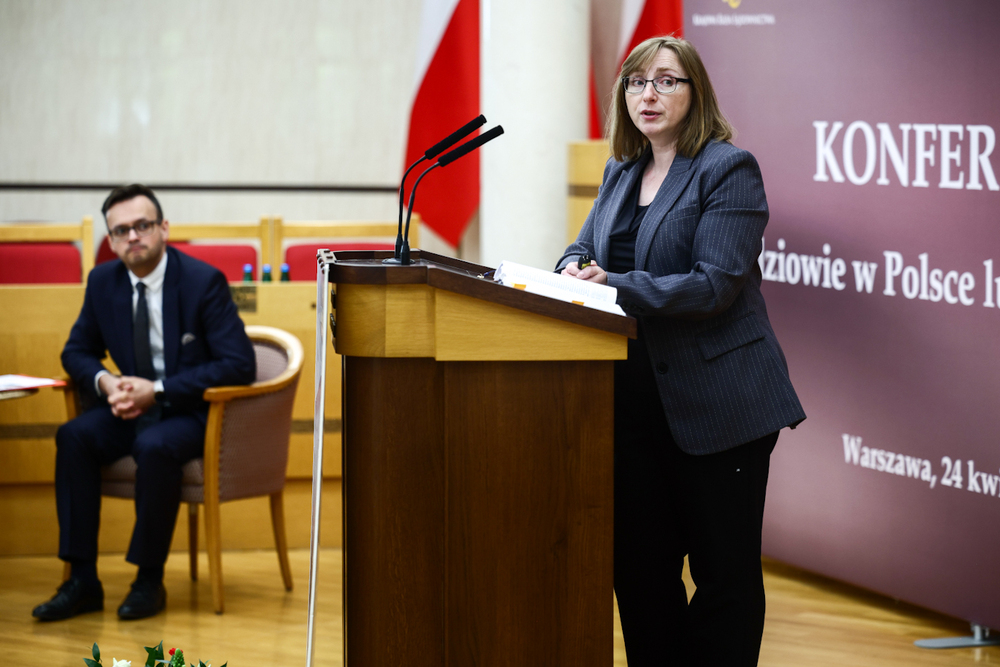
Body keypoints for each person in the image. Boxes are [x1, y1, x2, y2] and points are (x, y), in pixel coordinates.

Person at [556, 36, 806, 666]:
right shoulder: (622, 170)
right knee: (640, 574)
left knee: (724, 578)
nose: (649, 94)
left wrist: (611, 283)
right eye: (637, 82)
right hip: (634, 407)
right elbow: (578, 252)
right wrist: (573, 269)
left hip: (722, 405)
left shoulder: (727, 168)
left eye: (667, 81)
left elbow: (715, 284)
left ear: (696, 94)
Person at [32, 184, 256, 621]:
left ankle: (148, 580)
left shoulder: (201, 281)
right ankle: (81, 581)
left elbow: (239, 363)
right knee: (74, 437)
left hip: (185, 411)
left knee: (154, 447)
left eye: (142, 226)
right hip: (127, 406)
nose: (133, 237)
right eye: (121, 231)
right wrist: (107, 383)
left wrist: (160, 389)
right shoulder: (102, 282)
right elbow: (76, 351)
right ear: (111, 242)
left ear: (163, 229)